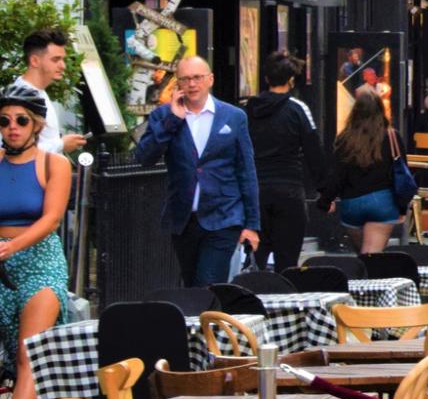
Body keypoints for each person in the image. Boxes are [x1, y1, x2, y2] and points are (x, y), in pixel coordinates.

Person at [133, 55, 260, 288]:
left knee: (208, 282)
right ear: (178, 84)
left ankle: (208, 323)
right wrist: (172, 120)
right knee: (192, 285)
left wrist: (251, 224)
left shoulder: (233, 116)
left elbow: (246, 170)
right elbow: (144, 157)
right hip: (184, 219)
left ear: (210, 79)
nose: (192, 84)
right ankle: (204, 324)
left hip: (224, 216)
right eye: (185, 79)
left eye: (197, 78)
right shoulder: (163, 116)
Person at [0, 84, 74, 399]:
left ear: (37, 124)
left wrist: (13, 246)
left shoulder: (54, 164)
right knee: (13, 351)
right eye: (5, 121)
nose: (12, 128)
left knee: (30, 347)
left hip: (39, 258)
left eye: (21, 120)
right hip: (1, 259)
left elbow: (52, 218)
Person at [243, 52, 330, 272]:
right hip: (288, 190)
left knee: (256, 259)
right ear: (291, 80)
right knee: (288, 261)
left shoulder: (247, 109)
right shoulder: (297, 109)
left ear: (266, 78)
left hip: (256, 191)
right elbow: (314, 151)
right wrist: (326, 192)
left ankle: (254, 300)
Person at [323, 85, 405, 254]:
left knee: (362, 254)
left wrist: (326, 199)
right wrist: (402, 207)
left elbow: (337, 174)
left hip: (352, 203)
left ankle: (362, 275)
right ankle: (372, 276)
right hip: (382, 201)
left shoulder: (345, 138)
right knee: (372, 255)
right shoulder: (391, 136)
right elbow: (402, 173)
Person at [16, 28, 86, 156]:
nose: (63, 66)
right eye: (55, 59)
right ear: (34, 61)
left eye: (63, 59)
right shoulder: (18, 97)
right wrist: (61, 144)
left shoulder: (36, 92)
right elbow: (13, 151)